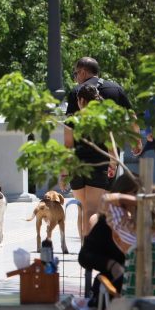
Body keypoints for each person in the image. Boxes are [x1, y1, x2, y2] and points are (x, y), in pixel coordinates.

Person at [73, 172, 139, 310]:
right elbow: (85, 256)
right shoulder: (108, 223)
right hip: (118, 285)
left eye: (141, 193)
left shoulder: (149, 223)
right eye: (135, 193)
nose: (138, 199)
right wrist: (111, 264)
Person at [61, 84, 118, 237]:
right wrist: (114, 163)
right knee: (92, 209)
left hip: (76, 168)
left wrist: (64, 174)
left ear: (80, 100)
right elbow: (110, 145)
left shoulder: (71, 120)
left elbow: (67, 148)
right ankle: (89, 248)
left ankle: (85, 246)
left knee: (84, 208)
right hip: (98, 167)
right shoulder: (104, 119)